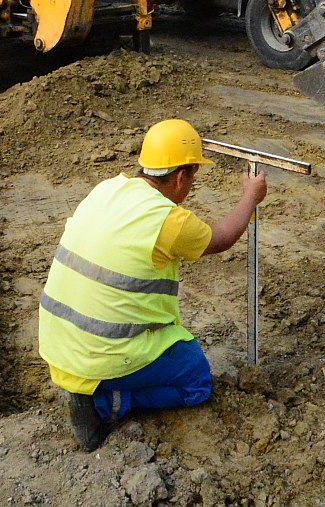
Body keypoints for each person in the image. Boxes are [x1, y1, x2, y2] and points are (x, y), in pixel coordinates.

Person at [38, 119, 267, 450]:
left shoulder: (106, 189)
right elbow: (221, 238)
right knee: (196, 381)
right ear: (180, 177)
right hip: (97, 356)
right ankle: (106, 402)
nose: (190, 187)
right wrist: (250, 197)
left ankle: (96, 388)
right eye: (192, 178)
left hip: (58, 342)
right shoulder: (169, 221)